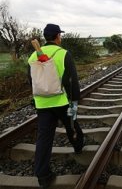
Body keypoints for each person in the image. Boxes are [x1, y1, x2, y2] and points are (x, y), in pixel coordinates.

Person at [28, 23, 84, 188]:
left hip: (42, 103)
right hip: (62, 101)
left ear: (46, 37)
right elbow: (72, 82)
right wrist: (75, 103)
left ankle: (43, 175)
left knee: (44, 138)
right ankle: (78, 147)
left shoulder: (32, 57)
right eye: (60, 35)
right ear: (58, 36)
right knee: (72, 126)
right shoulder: (63, 54)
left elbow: (31, 81)